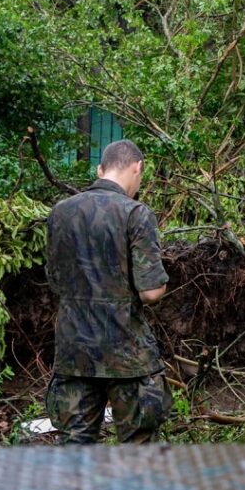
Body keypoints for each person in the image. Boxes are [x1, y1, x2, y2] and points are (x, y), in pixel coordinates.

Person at [45, 139, 171, 444]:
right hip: (126, 353)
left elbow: (54, 281)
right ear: (137, 168)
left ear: (100, 169)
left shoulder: (60, 212)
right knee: (138, 447)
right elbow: (151, 292)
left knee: (75, 447)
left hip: (74, 350)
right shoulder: (135, 214)